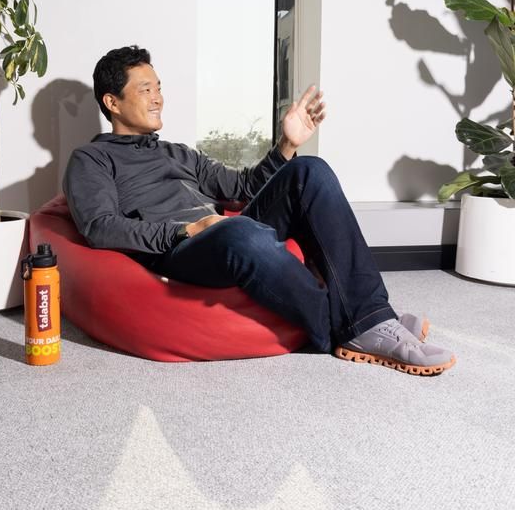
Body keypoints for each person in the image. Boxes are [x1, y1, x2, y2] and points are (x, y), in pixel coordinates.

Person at [63, 46, 456, 376]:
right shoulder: (92, 159)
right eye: (145, 89)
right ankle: (356, 325)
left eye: (159, 87)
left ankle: (371, 316)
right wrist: (186, 230)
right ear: (112, 102)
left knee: (309, 170)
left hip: (222, 232)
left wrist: (286, 145)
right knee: (238, 232)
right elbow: (100, 227)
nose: (158, 98)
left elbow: (242, 190)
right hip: (181, 249)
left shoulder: (177, 152)